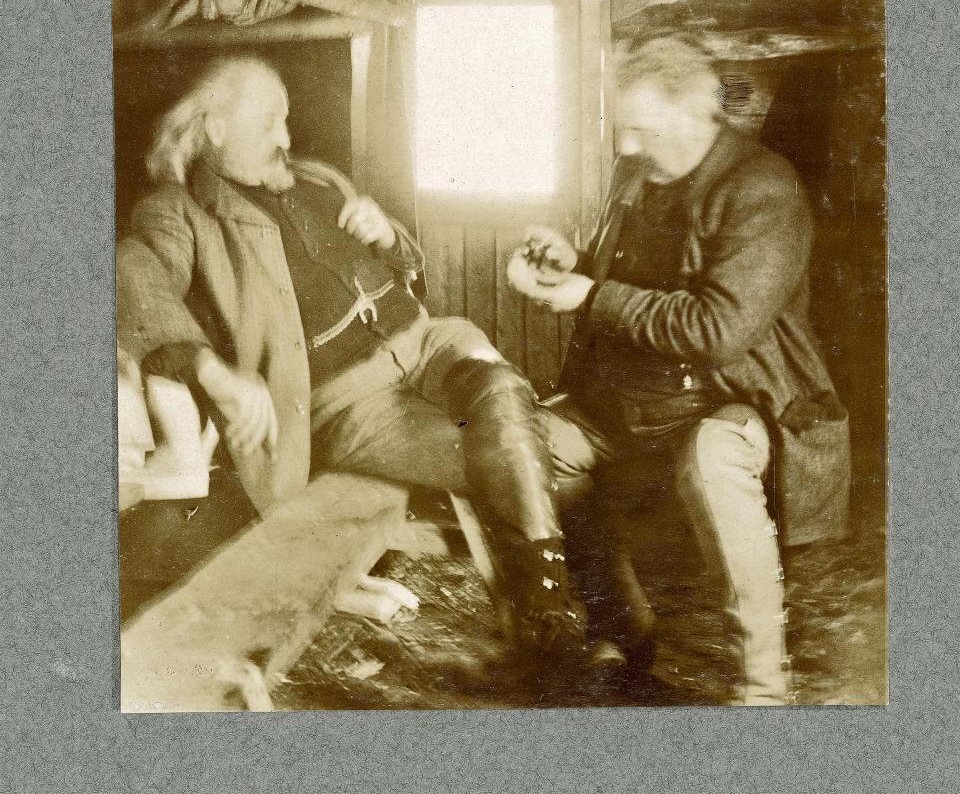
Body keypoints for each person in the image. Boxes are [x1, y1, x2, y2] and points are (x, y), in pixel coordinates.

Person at [116, 55, 586, 679]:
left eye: (287, 121)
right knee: (530, 455)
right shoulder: (180, 213)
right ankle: (550, 618)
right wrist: (210, 369)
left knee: (499, 387)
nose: (286, 139)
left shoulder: (316, 179)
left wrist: (387, 235)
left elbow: (409, 264)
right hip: (352, 402)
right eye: (269, 125)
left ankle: (544, 606)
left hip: (430, 340)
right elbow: (133, 276)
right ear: (216, 129)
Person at [507, 35, 852, 704]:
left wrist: (593, 295)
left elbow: (718, 330)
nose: (628, 146)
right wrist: (573, 262)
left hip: (732, 401)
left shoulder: (762, 188)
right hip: (625, 402)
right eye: (623, 128)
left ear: (697, 115)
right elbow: (632, 277)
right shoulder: (638, 173)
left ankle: (763, 686)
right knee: (527, 447)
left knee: (713, 456)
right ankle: (620, 629)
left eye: (643, 129)